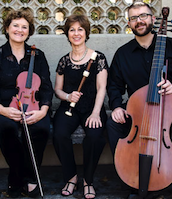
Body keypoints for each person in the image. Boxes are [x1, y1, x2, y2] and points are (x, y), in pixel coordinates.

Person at [106, 2, 172, 199]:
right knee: (113, 123)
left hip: (170, 103)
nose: (139, 21)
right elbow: (114, 85)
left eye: (143, 16)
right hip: (138, 107)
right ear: (129, 23)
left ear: (152, 19)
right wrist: (116, 106)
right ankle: (132, 180)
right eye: (134, 18)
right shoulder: (123, 54)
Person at [0, 9, 53, 198]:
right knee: (7, 129)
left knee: (41, 129)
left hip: (34, 106)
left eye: (24, 27)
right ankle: (19, 176)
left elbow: (46, 88)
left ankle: (26, 178)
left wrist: (43, 111)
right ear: (7, 28)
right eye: (15, 25)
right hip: (3, 106)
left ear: (29, 31)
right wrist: (2, 110)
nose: (20, 30)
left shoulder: (38, 55)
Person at [53, 14, 108, 199]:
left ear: (86, 33)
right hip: (70, 107)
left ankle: (88, 180)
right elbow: (57, 90)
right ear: (67, 34)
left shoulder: (98, 58)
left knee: (94, 136)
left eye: (80, 29)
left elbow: (102, 88)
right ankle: (71, 177)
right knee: (59, 134)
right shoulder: (64, 61)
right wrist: (68, 96)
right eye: (72, 29)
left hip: (93, 107)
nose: (76, 33)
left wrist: (95, 113)